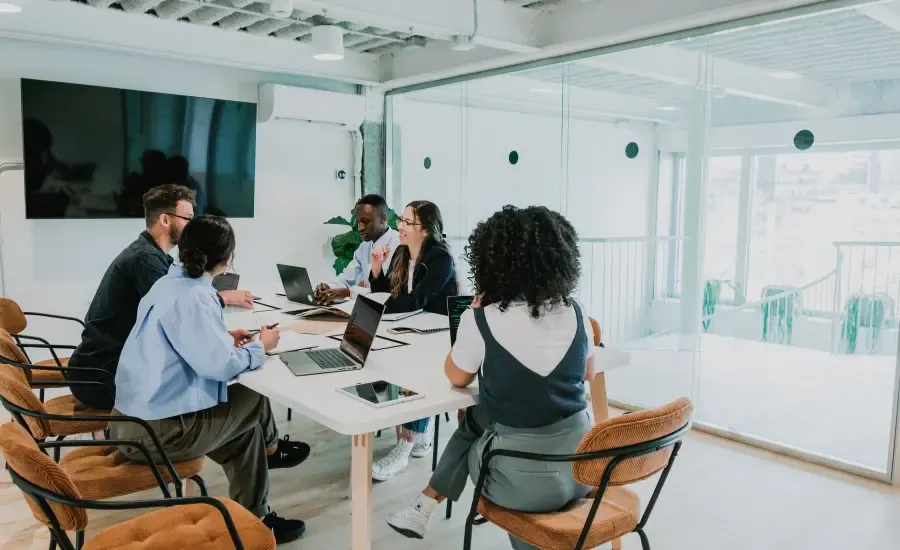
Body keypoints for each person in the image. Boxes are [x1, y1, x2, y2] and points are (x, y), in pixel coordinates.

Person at [385, 206, 596, 550]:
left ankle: (425, 504)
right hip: (582, 467)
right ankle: (424, 505)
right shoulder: (575, 311)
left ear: (492, 261)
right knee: (482, 417)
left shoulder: (482, 319)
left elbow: (455, 376)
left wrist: (473, 316)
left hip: (519, 479)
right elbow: (588, 373)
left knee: (473, 421)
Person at [109, 215, 310, 544]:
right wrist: (261, 346)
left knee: (245, 433)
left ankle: (255, 522)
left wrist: (223, 337)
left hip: (128, 422)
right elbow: (220, 369)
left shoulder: (167, 284)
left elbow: (182, 343)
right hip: (156, 434)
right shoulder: (196, 297)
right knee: (252, 396)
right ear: (227, 259)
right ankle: (273, 450)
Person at [67, 185, 255, 409]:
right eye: (188, 218)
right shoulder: (146, 260)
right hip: (104, 377)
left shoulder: (151, 255)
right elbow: (177, 323)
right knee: (222, 388)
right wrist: (223, 304)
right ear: (165, 220)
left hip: (98, 368)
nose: (192, 227)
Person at [369, 200, 458, 481]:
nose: (401, 227)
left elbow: (416, 300)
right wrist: (376, 269)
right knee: (383, 359)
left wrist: (382, 308)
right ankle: (419, 428)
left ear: (426, 229)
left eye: (408, 223)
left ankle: (404, 447)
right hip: (411, 329)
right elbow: (386, 293)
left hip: (439, 336)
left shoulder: (440, 258)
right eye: (402, 221)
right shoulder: (401, 252)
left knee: (414, 375)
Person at [314, 194, 400, 305]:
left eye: (365, 221)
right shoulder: (364, 247)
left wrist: (348, 292)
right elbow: (346, 279)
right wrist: (327, 287)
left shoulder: (399, 246)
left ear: (382, 219)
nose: (360, 227)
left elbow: (388, 293)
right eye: (358, 221)